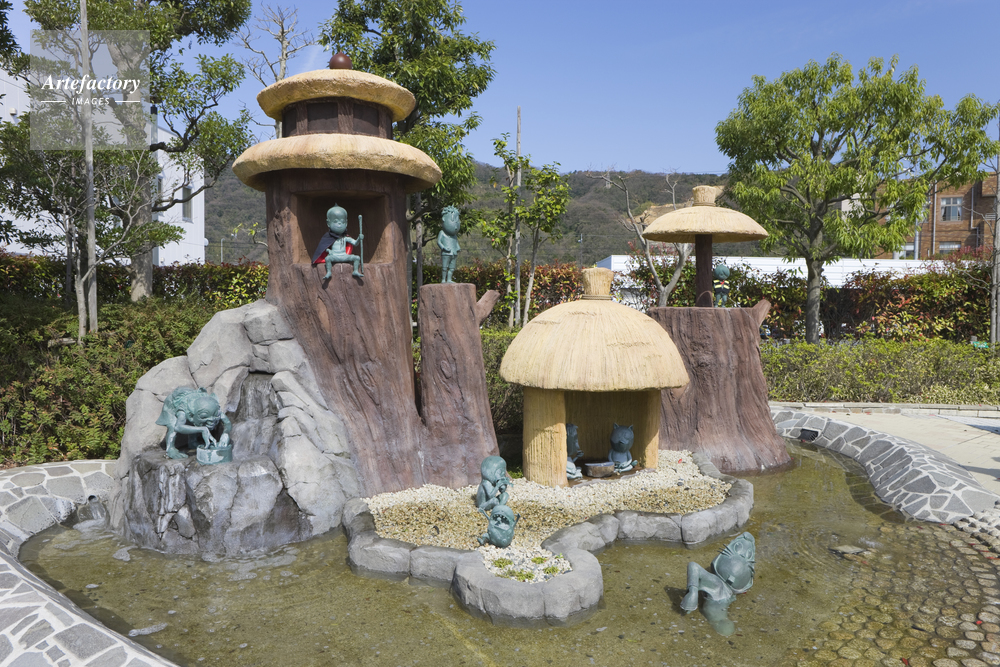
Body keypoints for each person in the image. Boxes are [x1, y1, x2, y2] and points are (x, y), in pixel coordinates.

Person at [311, 204, 363, 278]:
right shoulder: (328, 237)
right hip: (334, 256)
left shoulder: (345, 237)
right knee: (327, 259)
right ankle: (329, 272)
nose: (339, 224)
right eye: (335, 221)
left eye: (342, 222)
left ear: (346, 223)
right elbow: (323, 248)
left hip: (344, 256)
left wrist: (359, 238)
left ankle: (355, 271)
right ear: (328, 223)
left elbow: (355, 243)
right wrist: (329, 251)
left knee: (357, 258)